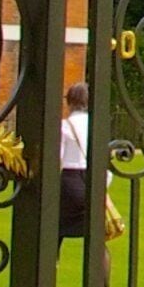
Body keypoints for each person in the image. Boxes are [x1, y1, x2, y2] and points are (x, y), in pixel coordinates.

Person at [59, 80, 92, 239]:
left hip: (70, 180)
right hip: (92, 181)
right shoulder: (96, 124)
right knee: (97, 237)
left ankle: (52, 263)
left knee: (54, 228)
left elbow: (57, 157)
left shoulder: (65, 125)